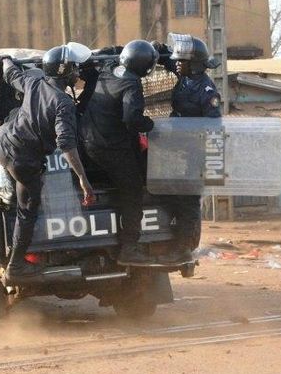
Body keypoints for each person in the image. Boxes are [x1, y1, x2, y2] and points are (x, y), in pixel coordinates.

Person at [0, 46, 94, 281]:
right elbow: (67, 146)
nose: (77, 72)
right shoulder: (63, 103)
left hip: (5, 150)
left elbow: (10, 74)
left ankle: (15, 259)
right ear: (63, 71)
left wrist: (6, 59)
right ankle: (16, 266)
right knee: (28, 210)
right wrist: (84, 180)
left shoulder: (34, 83)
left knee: (22, 198)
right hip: (25, 161)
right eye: (74, 68)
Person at [80, 40, 159, 266]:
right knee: (134, 190)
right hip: (109, 147)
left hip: (87, 141)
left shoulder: (109, 68)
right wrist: (151, 125)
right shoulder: (132, 84)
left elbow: (109, 51)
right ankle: (130, 247)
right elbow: (132, 119)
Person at [154, 33, 222, 265]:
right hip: (177, 152)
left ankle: (184, 249)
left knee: (188, 203)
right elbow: (168, 60)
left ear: (193, 64)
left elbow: (213, 127)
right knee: (171, 197)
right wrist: (159, 49)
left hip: (194, 155)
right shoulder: (184, 75)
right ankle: (170, 241)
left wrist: (210, 164)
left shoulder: (206, 90)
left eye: (181, 61)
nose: (177, 64)